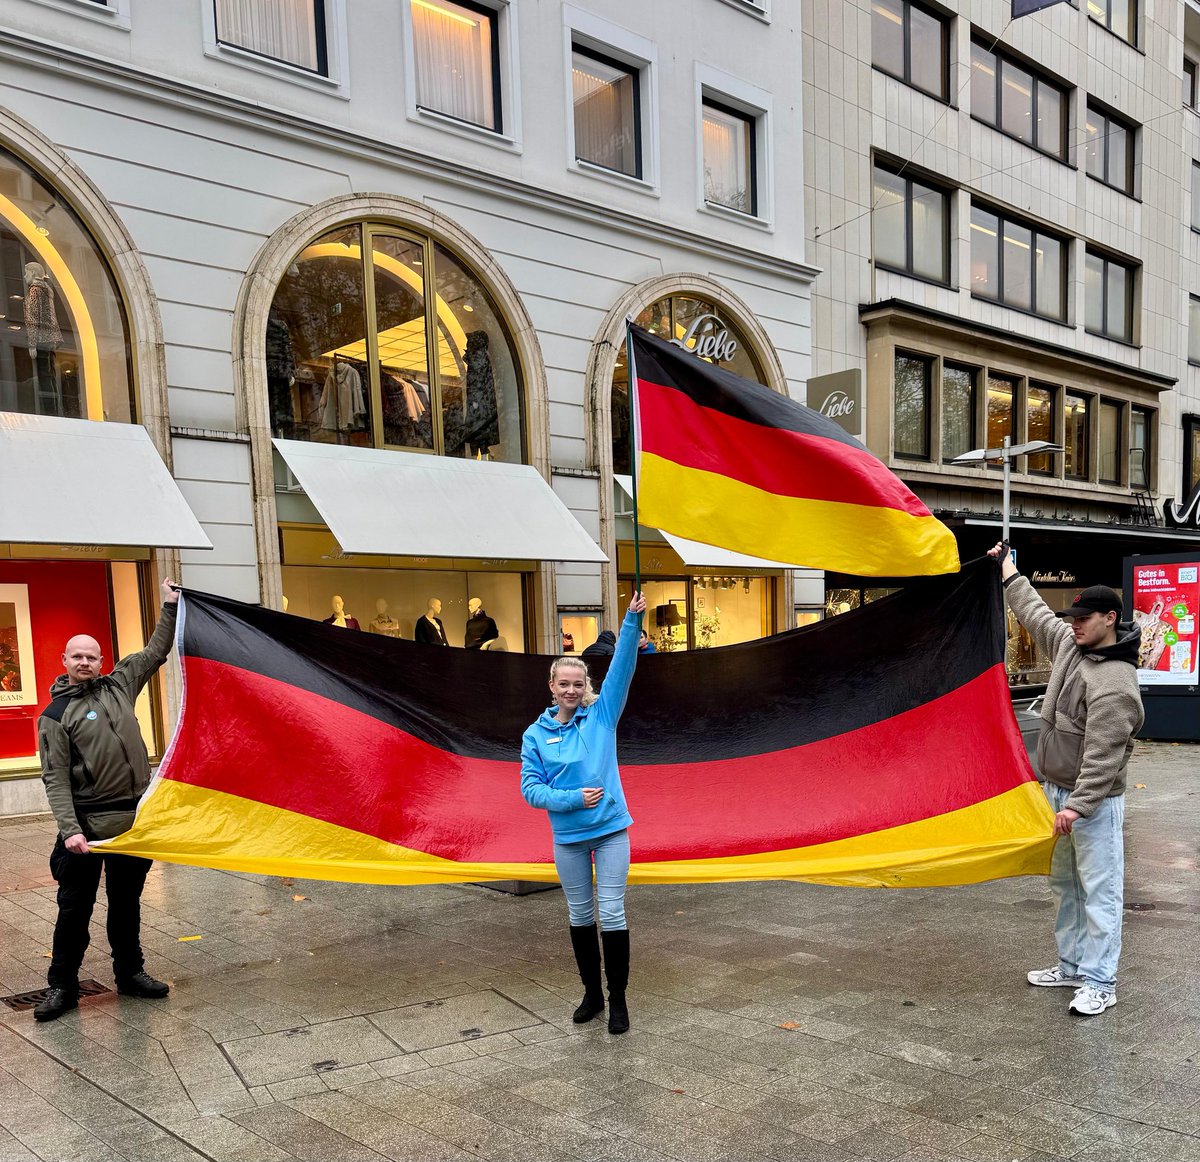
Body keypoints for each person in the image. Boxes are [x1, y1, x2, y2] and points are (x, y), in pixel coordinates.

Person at [989, 543, 1143, 1016]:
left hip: (1089, 805)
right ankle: (1072, 967)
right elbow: (1035, 613)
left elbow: (1102, 756)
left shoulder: (1115, 681)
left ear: (1110, 619)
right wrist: (1007, 569)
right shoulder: (1070, 645)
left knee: (1100, 892)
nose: (1074, 623)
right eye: (1072, 617)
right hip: (1055, 793)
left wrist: (1076, 807)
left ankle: (1100, 981)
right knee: (1066, 889)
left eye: (1084, 618)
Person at [34, 578, 182, 1022]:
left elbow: (156, 651)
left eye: (91, 655)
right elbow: (54, 778)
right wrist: (70, 830)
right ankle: (62, 986)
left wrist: (170, 606)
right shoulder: (55, 716)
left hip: (131, 821)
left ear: (101, 661)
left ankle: (130, 974)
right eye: (75, 655)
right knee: (74, 910)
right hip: (86, 829)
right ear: (64, 661)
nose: (84, 661)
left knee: (127, 903)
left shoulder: (120, 684)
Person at [520, 592, 647, 1035]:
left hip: (611, 831)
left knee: (611, 912)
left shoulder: (602, 717)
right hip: (569, 838)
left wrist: (632, 621)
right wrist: (573, 799)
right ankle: (591, 995)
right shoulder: (535, 735)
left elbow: (623, 668)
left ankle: (618, 1001)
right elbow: (530, 790)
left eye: (578, 683)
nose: (571, 690)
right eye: (563, 684)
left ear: (586, 686)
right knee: (579, 915)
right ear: (552, 688)